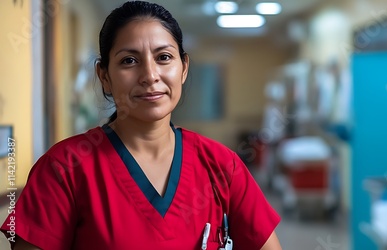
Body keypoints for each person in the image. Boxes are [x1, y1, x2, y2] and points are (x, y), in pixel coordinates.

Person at [0, 1, 281, 249]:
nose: (150, 75)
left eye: (164, 57)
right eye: (129, 60)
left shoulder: (222, 166)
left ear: (183, 68)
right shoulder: (63, 169)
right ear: (105, 76)